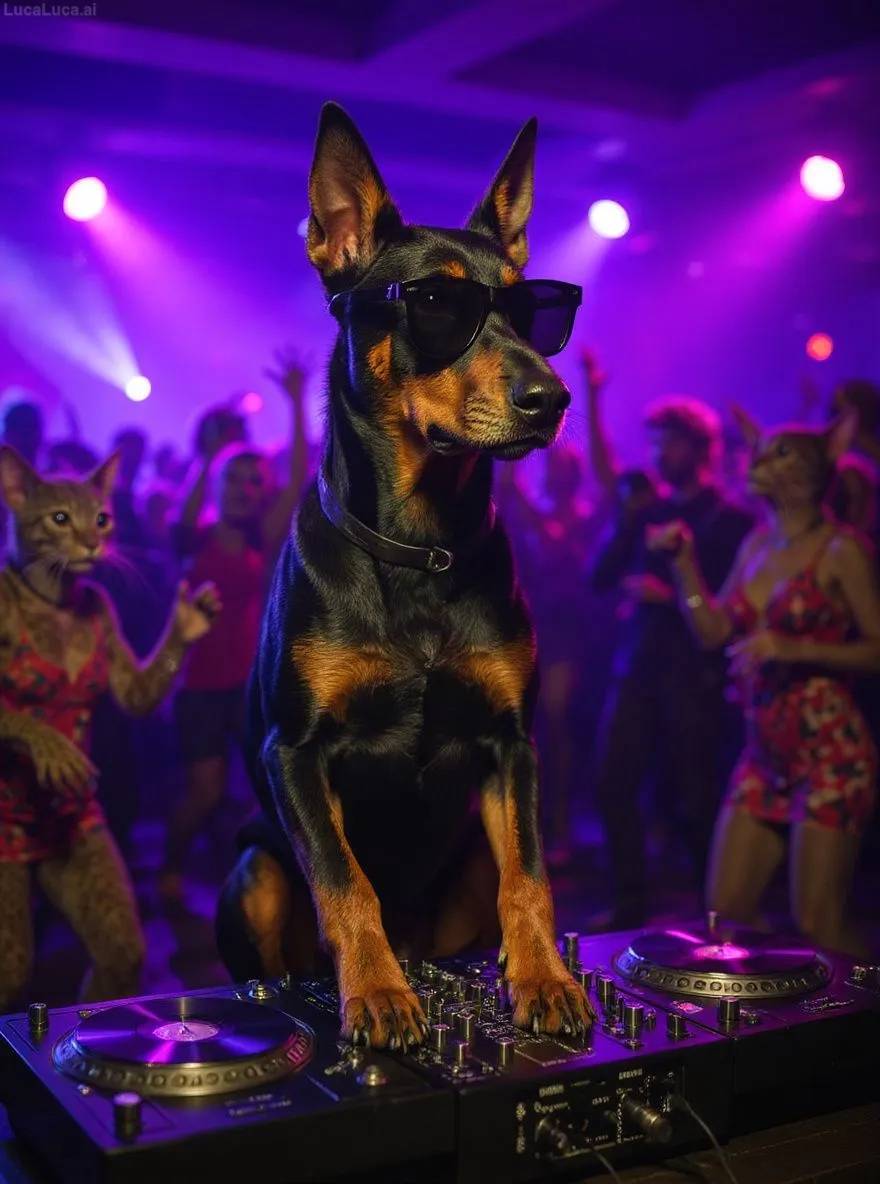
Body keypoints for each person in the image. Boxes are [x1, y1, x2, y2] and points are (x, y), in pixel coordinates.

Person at [649, 409, 879, 954]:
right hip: (765, 754)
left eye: (781, 453)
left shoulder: (842, 549)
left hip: (832, 756)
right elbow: (714, 631)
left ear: (819, 468)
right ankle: (785, 1026)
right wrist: (684, 565)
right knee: (724, 917)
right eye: (759, 451)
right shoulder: (756, 545)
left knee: (821, 925)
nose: (757, 460)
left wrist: (791, 645)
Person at [0, 446, 220, 1007]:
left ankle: (72, 1081)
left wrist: (178, 638)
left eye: (98, 521)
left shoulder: (94, 605)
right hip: (3, 822)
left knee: (126, 957)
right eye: (61, 520)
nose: (90, 538)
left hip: (72, 816)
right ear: (17, 500)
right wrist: (31, 732)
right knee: (9, 976)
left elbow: (137, 698)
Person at [589, 388, 753, 927]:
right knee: (614, 781)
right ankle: (629, 903)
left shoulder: (729, 518)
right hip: (636, 668)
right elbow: (599, 577)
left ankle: (715, 912)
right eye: (655, 444)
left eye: (672, 444)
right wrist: (623, 520)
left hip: (693, 675)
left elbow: (734, 600)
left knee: (695, 796)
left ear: (700, 448)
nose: (660, 455)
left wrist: (672, 592)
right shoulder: (648, 509)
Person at [157, 357, 309, 907]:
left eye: (254, 480)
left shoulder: (259, 541)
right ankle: (169, 870)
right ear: (219, 482)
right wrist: (215, 450)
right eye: (236, 479)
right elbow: (196, 497)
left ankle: (244, 885)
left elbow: (294, 480)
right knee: (205, 791)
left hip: (247, 688)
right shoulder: (189, 536)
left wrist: (296, 401)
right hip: (198, 687)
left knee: (255, 793)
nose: (247, 488)